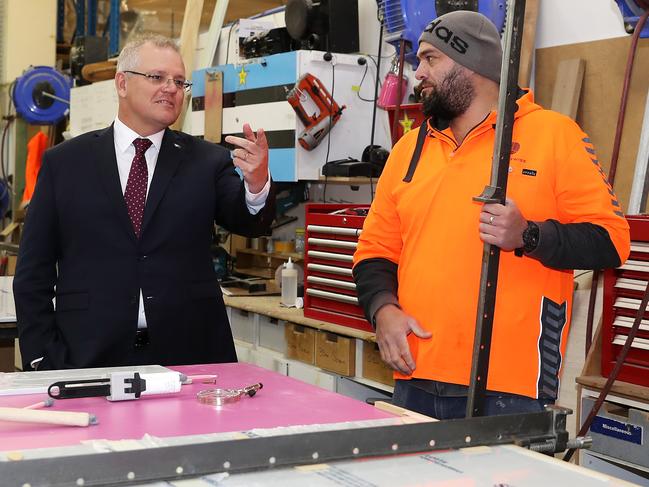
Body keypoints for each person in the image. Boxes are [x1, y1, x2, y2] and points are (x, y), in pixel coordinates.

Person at [352, 11, 630, 420]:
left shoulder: (554, 136)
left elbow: (611, 242)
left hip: (509, 385)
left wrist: (529, 236)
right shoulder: (409, 149)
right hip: (416, 371)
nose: (417, 74)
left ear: (471, 63)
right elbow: (373, 250)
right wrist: (383, 310)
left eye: (430, 59)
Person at [14, 33, 275, 370]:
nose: (171, 88)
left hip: (191, 355)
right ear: (122, 83)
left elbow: (246, 221)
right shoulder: (64, 164)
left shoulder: (208, 161)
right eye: (157, 77)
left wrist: (256, 184)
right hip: (87, 355)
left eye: (179, 82)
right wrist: (43, 356)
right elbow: (33, 272)